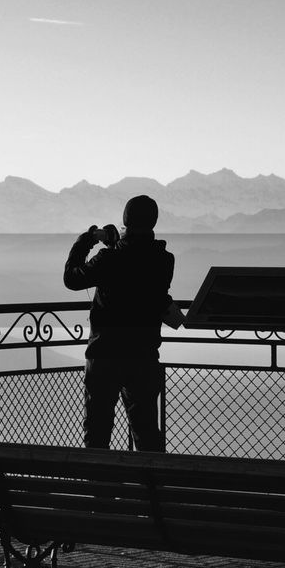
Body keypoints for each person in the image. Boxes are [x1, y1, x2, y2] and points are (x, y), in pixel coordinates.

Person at [63, 194, 177, 452]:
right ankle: (152, 488)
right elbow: (139, 274)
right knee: (146, 430)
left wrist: (86, 241)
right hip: (144, 354)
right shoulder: (164, 260)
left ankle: (101, 488)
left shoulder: (109, 259)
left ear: (126, 220)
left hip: (105, 354)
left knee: (98, 429)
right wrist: (118, 244)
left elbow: (72, 279)